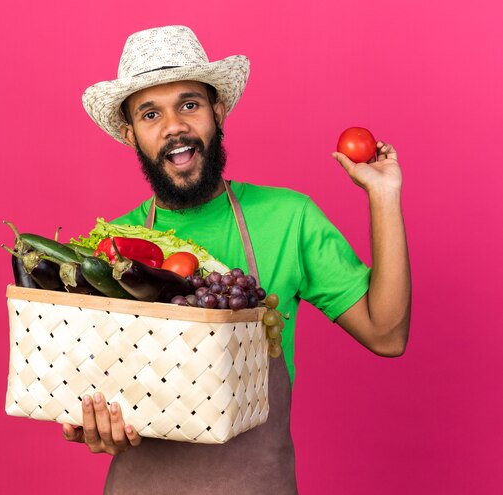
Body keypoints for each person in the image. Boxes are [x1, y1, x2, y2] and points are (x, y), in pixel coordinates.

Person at [62, 25, 411, 494]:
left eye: (189, 104)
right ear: (130, 135)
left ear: (217, 111)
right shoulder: (112, 250)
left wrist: (384, 198)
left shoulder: (288, 218)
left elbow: (387, 334)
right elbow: (92, 388)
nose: (174, 126)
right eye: (150, 114)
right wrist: (94, 424)